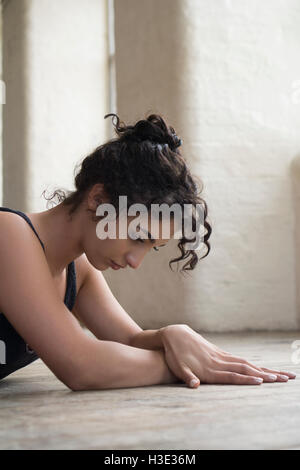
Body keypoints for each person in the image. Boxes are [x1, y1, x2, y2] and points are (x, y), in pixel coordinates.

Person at [0, 113, 295, 390]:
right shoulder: (8, 234)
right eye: (138, 236)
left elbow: (129, 340)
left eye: (151, 248)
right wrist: (183, 365)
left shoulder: (78, 270)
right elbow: (80, 365)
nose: (135, 261)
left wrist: (170, 335)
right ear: (98, 199)